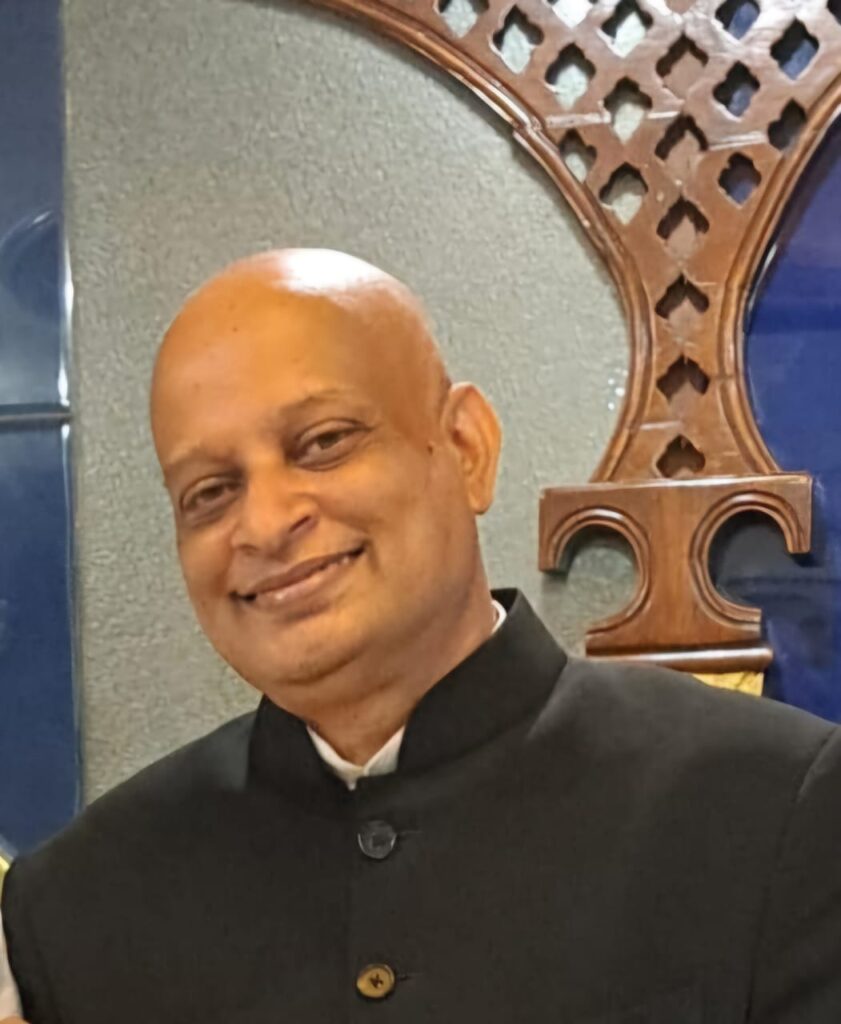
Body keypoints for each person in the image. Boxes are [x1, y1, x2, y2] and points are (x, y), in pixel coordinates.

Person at [2, 249, 841, 1023]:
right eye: (209, 492)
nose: (263, 522)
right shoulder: (75, 909)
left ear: (466, 447)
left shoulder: (776, 813)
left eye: (323, 443)